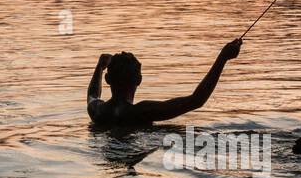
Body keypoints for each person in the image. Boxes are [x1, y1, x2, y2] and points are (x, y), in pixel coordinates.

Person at [87, 39, 242, 127]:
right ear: (139, 80)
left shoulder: (97, 110)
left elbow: (92, 94)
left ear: (107, 80)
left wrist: (100, 67)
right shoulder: (142, 111)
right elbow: (196, 100)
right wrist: (223, 58)